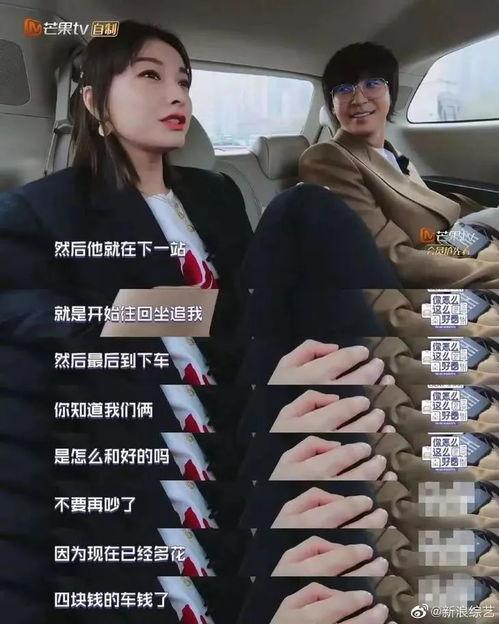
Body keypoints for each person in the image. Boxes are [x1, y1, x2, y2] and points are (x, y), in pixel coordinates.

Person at [299, 42, 499, 289]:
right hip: (421, 294)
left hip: (447, 247)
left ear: (391, 93)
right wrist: (489, 269)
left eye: (372, 84)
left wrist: (481, 245)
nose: (358, 99)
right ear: (332, 104)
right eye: (343, 89)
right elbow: (393, 260)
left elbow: (433, 227)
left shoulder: (390, 153)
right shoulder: (326, 159)